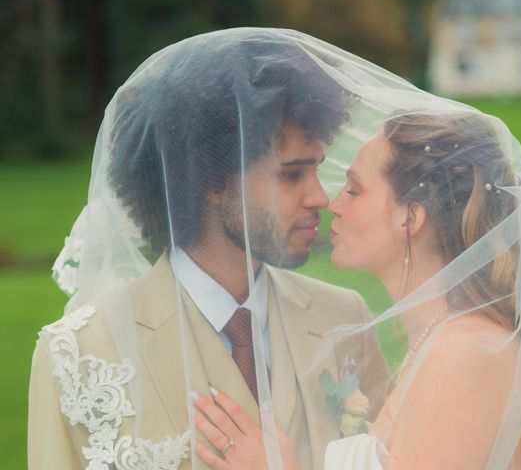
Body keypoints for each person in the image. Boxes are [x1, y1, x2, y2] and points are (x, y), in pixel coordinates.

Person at [27, 29, 388, 470]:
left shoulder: (343, 318)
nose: (319, 197)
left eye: (316, 169)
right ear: (209, 181)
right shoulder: (78, 352)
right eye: (291, 174)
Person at [192, 103, 521, 466]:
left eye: (355, 190)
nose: (333, 204)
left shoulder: (466, 355)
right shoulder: (447, 342)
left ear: (410, 216)